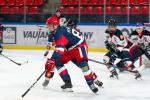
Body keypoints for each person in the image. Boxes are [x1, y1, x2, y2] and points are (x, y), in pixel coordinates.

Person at [42, 16, 102, 93]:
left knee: (83, 65)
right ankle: (67, 83)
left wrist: (52, 60)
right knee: (57, 62)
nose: (48, 27)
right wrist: (53, 60)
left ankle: (92, 83)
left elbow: (59, 50)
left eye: (50, 25)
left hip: (79, 46)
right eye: (48, 25)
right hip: (69, 49)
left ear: (55, 25)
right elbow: (59, 47)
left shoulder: (59, 33)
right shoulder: (55, 32)